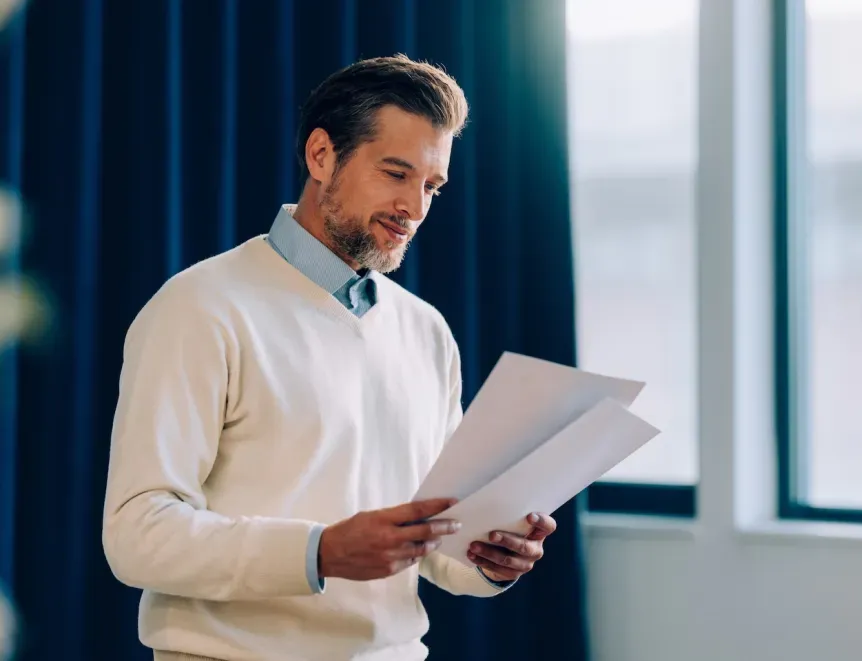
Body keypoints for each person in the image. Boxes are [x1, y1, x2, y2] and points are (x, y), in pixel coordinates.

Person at [102, 54, 556, 661]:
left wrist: (491, 558)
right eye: (395, 173)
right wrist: (318, 552)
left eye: (431, 186)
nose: (415, 208)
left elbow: (438, 545)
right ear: (321, 156)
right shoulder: (199, 308)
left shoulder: (426, 331)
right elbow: (137, 535)